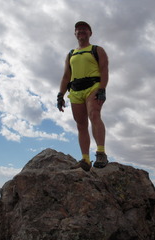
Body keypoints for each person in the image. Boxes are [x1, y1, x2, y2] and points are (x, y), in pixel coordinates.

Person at [57, 21, 109, 171]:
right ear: (75, 34)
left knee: (94, 114)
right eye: (78, 30)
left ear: (90, 33)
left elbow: (104, 70)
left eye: (84, 29)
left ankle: (100, 152)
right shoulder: (71, 54)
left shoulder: (97, 50)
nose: (81, 31)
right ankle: (85, 160)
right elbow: (66, 76)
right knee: (81, 125)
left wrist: (102, 89)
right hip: (75, 90)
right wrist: (61, 94)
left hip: (93, 86)